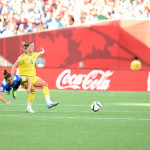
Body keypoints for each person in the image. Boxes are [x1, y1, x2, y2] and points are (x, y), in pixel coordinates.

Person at [11, 41, 59, 113]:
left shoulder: (35, 54)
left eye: (33, 46)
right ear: (27, 48)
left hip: (33, 77)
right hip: (24, 78)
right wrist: (12, 76)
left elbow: (41, 52)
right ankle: (29, 108)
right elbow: (14, 65)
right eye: (31, 46)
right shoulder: (22, 57)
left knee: (45, 84)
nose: (33, 47)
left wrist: (42, 50)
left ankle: (49, 103)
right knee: (33, 90)